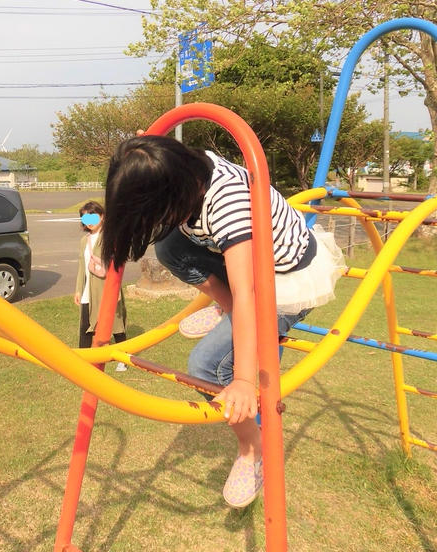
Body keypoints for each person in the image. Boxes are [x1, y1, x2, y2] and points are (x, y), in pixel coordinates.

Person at [101, 135, 344, 508]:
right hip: (247, 272)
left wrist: (245, 380)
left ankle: (253, 451)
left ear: (176, 192)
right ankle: (225, 307)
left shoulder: (227, 203)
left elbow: (250, 292)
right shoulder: (185, 168)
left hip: (282, 283)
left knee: (207, 365)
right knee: (169, 246)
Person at [75, 200, 128, 370]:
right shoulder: (84, 240)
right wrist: (78, 289)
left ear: (102, 216)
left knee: (116, 324)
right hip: (87, 291)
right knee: (85, 326)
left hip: (106, 288)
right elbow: (81, 267)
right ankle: (84, 360)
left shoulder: (110, 237)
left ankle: (123, 358)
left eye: (92, 217)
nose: (89, 221)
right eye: (85, 218)